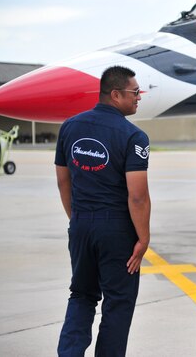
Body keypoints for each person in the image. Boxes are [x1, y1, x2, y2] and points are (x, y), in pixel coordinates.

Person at [55, 65, 151, 356]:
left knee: (81, 295)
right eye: (134, 93)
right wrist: (143, 239)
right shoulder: (134, 136)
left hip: (81, 224)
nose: (138, 98)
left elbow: (63, 180)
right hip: (116, 231)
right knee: (118, 302)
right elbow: (138, 197)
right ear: (115, 94)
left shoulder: (69, 127)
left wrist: (79, 219)